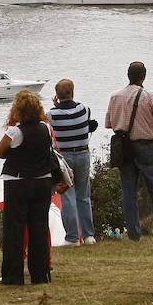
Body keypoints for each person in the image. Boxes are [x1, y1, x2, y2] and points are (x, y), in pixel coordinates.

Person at [0, 90, 54, 286]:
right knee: (39, 228)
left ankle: (13, 275)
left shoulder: (15, 131)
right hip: (43, 181)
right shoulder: (46, 127)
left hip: (18, 181)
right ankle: (41, 274)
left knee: (15, 230)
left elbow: (0, 152)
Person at [105, 61, 153, 241]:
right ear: (143, 77)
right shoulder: (149, 96)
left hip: (123, 147)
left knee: (129, 191)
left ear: (128, 76)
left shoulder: (115, 97)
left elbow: (109, 123)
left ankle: (133, 233)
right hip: (146, 146)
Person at [47, 79, 97, 247]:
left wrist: (55, 106)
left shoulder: (52, 115)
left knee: (67, 196)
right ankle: (89, 236)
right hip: (83, 154)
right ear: (73, 92)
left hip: (64, 158)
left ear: (57, 96)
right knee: (84, 195)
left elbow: (49, 129)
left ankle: (72, 237)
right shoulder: (84, 110)